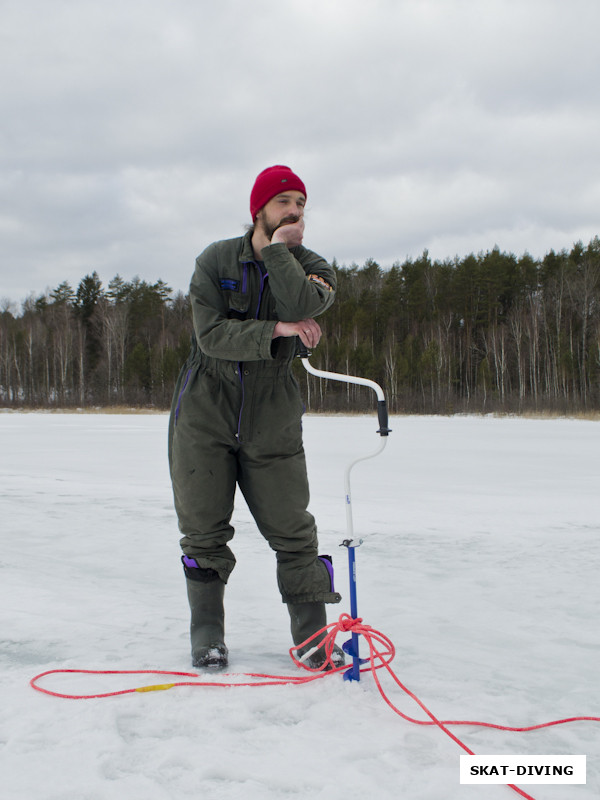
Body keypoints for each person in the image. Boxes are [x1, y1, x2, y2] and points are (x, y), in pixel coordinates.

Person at [168, 165, 344, 670]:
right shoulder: (215, 260)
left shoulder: (314, 266)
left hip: (274, 410)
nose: (294, 211)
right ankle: (207, 634)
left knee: (294, 530)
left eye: (302, 204)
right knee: (203, 530)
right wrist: (279, 329)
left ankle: (312, 640)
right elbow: (212, 336)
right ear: (259, 209)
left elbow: (305, 301)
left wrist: (275, 253)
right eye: (284, 201)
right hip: (205, 405)